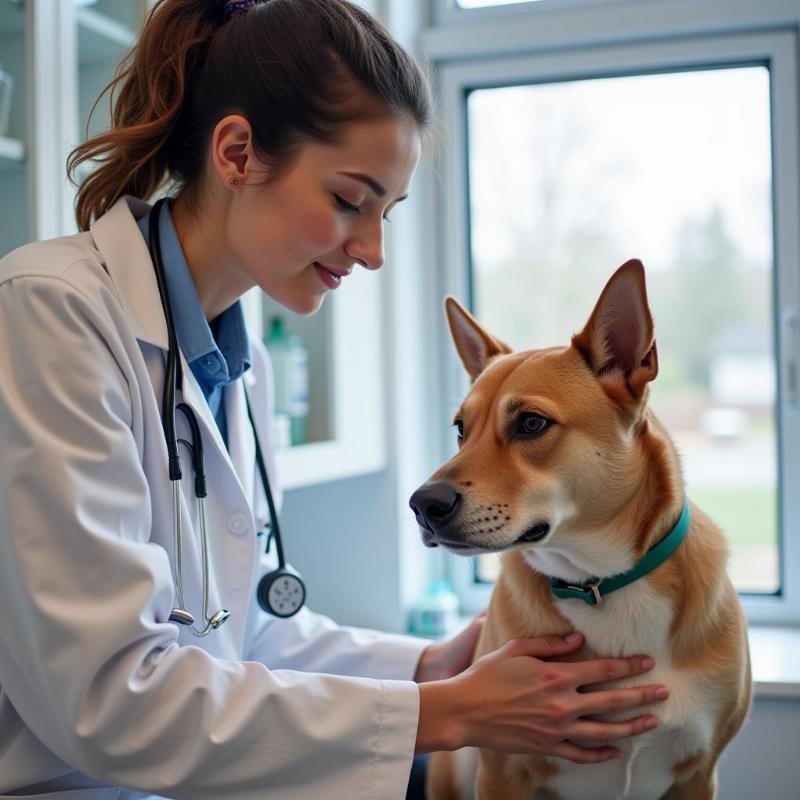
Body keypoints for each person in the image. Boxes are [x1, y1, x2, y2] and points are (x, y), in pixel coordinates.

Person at [0, 1, 670, 798]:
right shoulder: (49, 313)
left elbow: (239, 634)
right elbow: (110, 699)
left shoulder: (240, 369)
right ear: (238, 152)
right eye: (353, 199)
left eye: (387, 212)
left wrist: (436, 664)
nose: (374, 251)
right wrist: (447, 712)